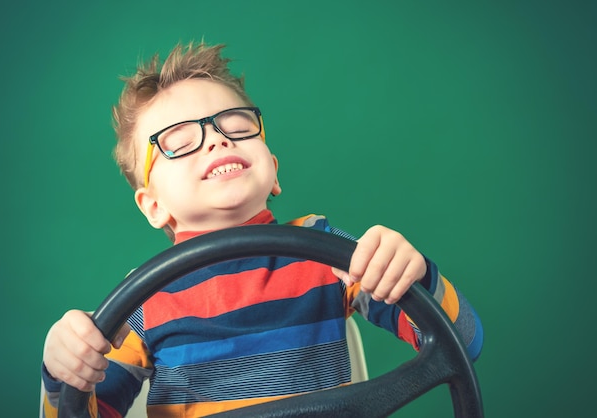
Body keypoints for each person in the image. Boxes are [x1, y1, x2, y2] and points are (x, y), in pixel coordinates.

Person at [41, 41, 484, 418]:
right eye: (178, 141)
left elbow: (462, 339)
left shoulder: (328, 253)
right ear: (153, 206)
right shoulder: (138, 300)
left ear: (272, 171)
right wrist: (65, 369)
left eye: (235, 125)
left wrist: (410, 272)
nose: (217, 139)